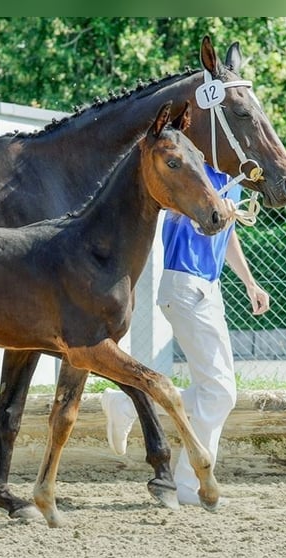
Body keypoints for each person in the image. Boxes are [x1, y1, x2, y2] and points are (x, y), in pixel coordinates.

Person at [100, 162, 270, 506]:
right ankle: (189, 486)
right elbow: (189, 213)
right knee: (220, 393)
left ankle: (130, 402)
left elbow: (227, 232)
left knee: (219, 393)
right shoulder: (193, 172)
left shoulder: (229, 180)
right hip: (185, 285)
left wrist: (249, 282)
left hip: (209, 288)